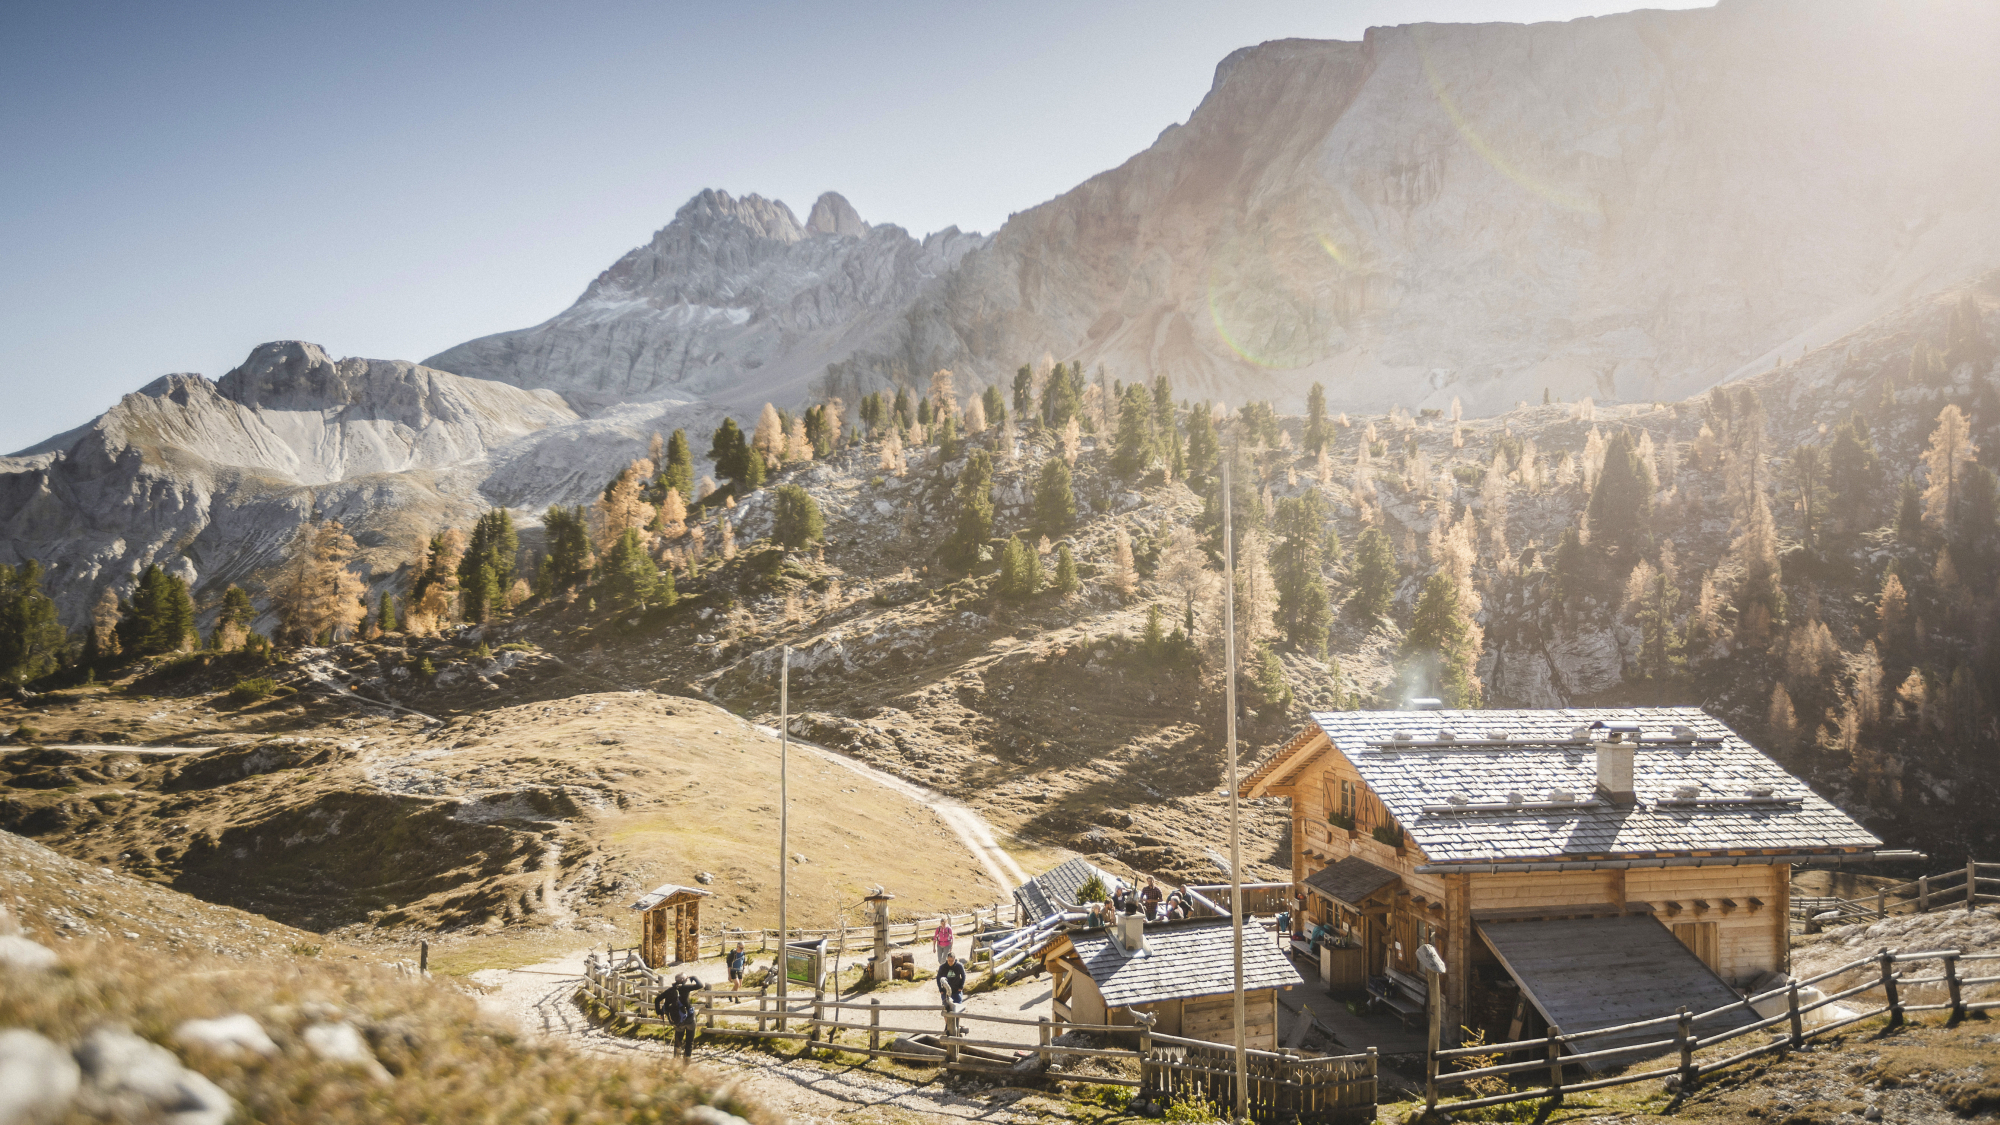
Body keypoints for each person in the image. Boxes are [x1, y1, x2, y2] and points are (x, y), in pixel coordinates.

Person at [654, 973, 704, 1059]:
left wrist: (659, 1013)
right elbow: (700, 985)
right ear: (682, 980)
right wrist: (693, 977)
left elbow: (657, 1000)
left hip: (677, 1021)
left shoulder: (669, 990)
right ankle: (685, 1064)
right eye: (686, 978)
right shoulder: (685, 988)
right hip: (689, 1019)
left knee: (678, 1042)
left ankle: (676, 1062)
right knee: (689, 1042)